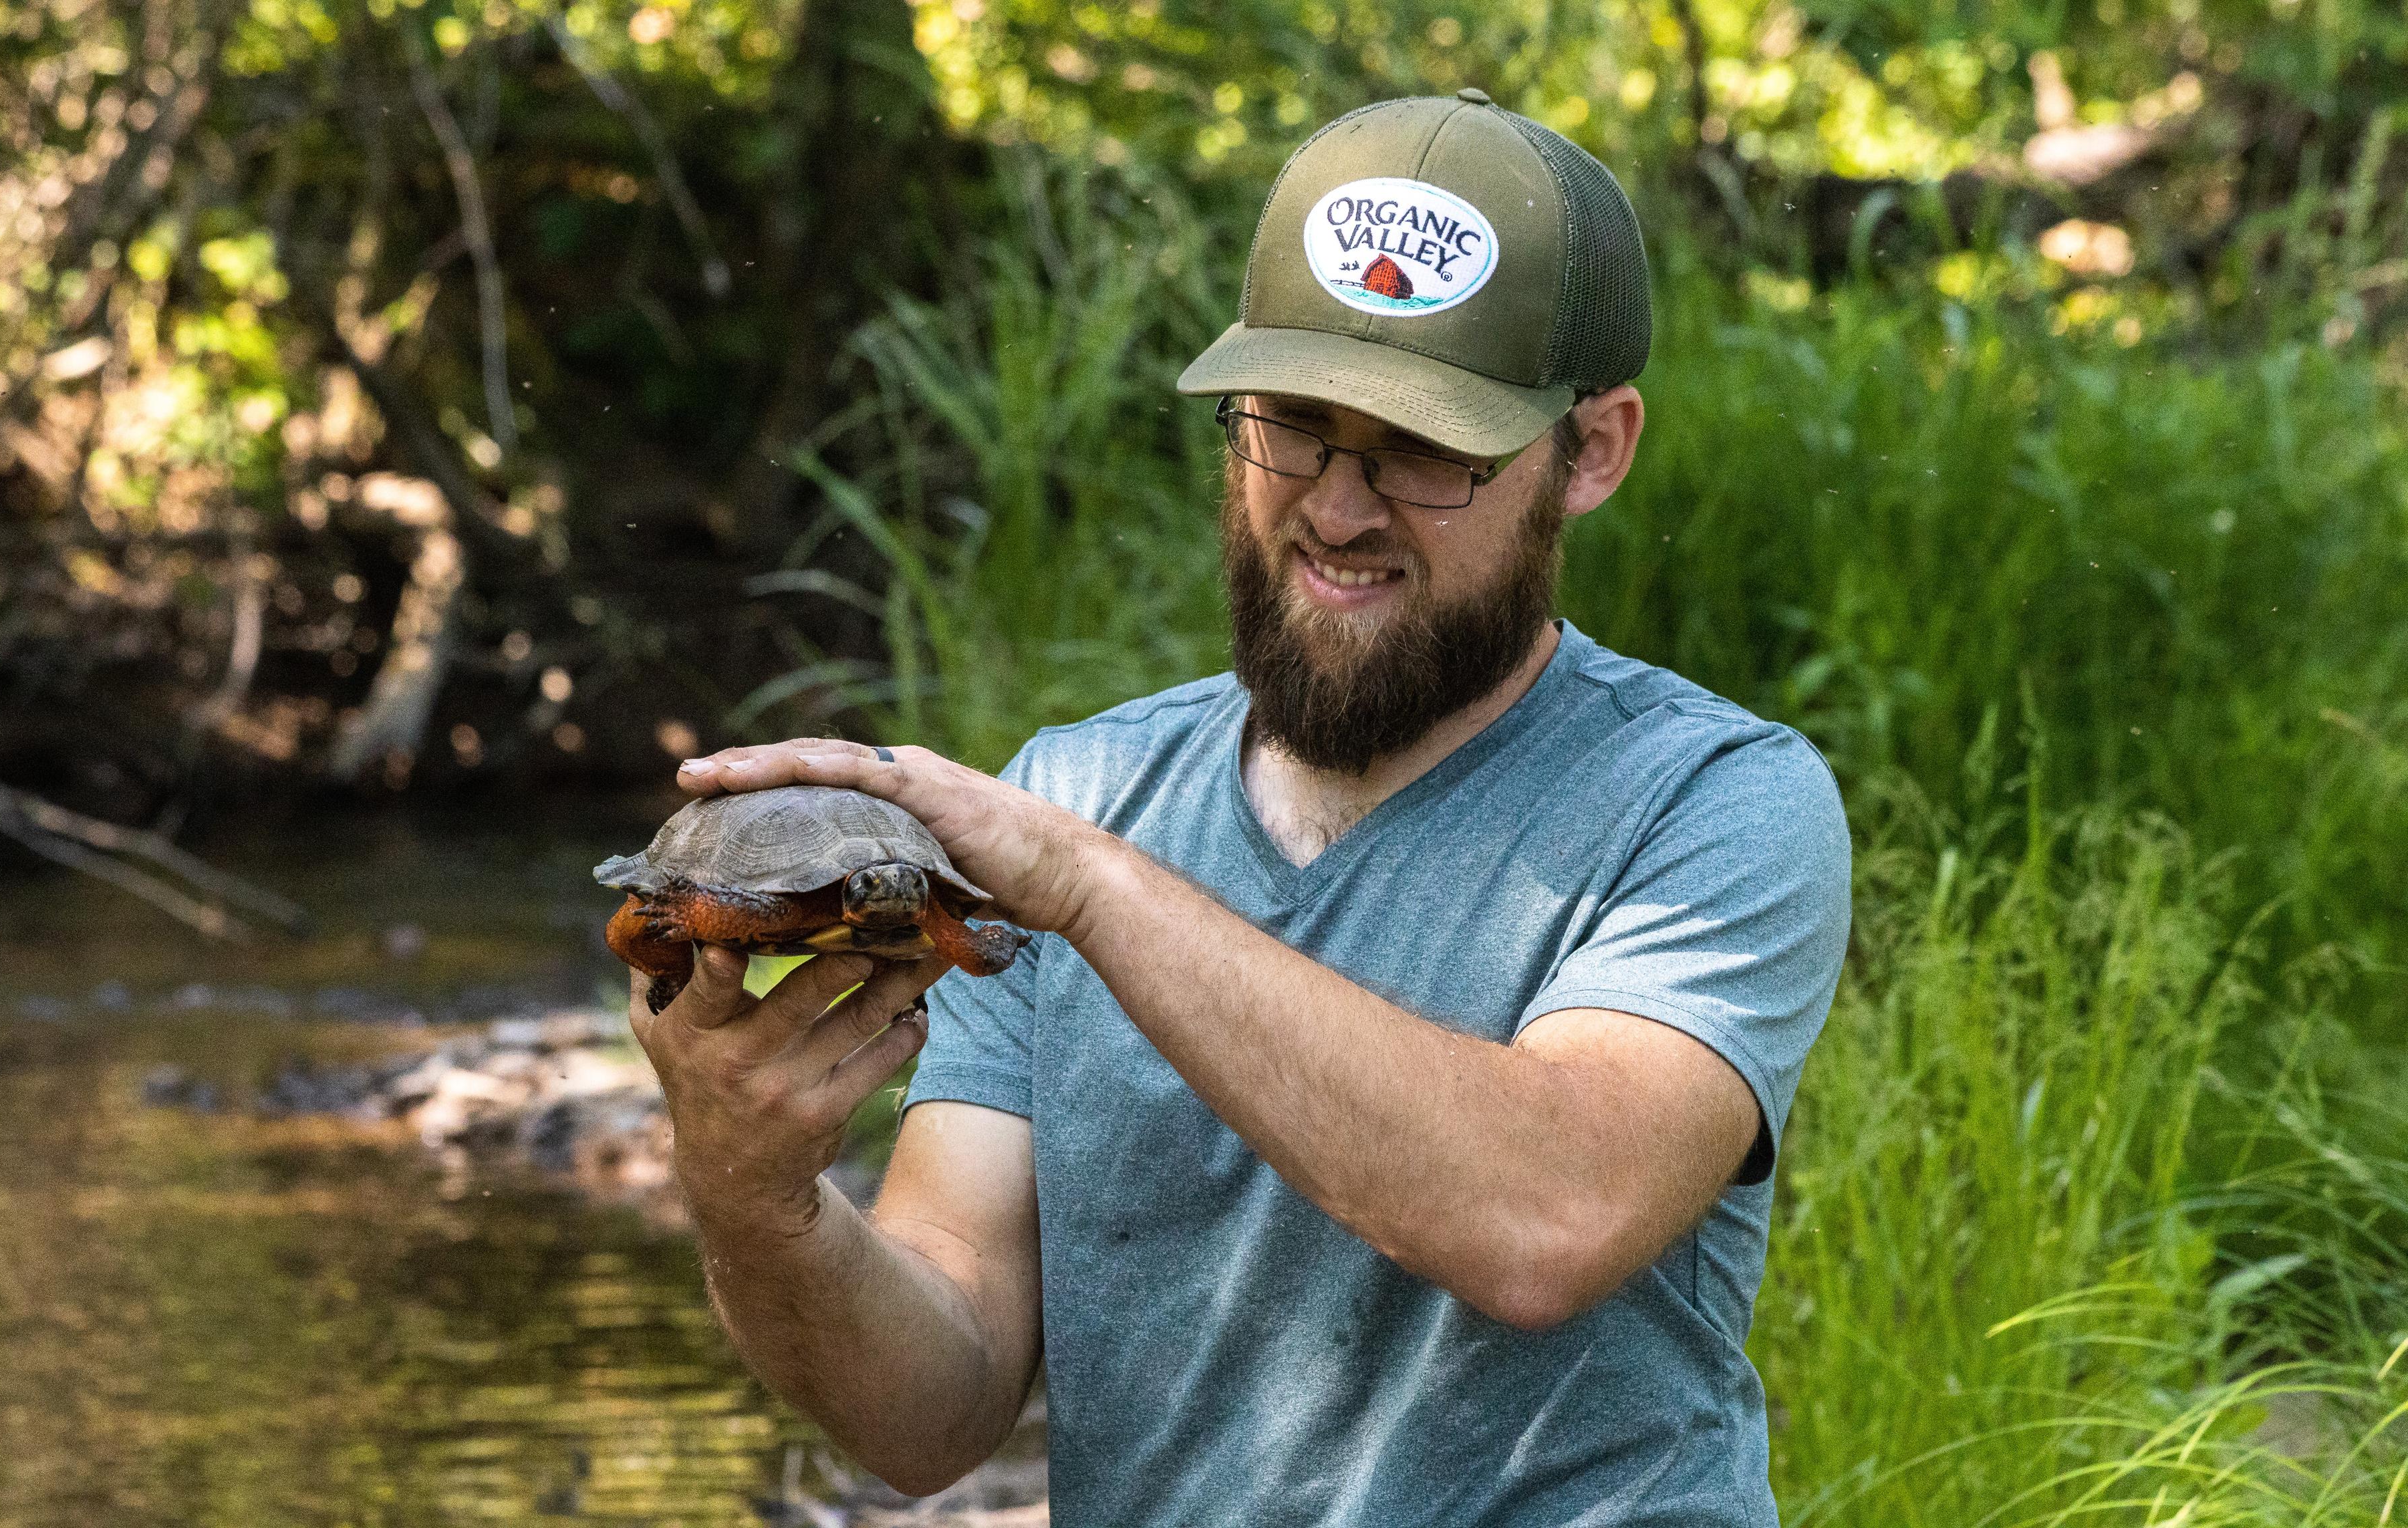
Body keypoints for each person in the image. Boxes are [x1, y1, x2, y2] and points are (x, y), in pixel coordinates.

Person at [638, 91, 1851, 1526]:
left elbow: (1551, 1215)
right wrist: (753, 1200)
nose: (1337, 509)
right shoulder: (1081, 790)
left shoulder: (1711, 802)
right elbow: (930, 1407)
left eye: (1419, 449)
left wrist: (1091, 887)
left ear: (1590, 453)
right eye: (1290, 427)